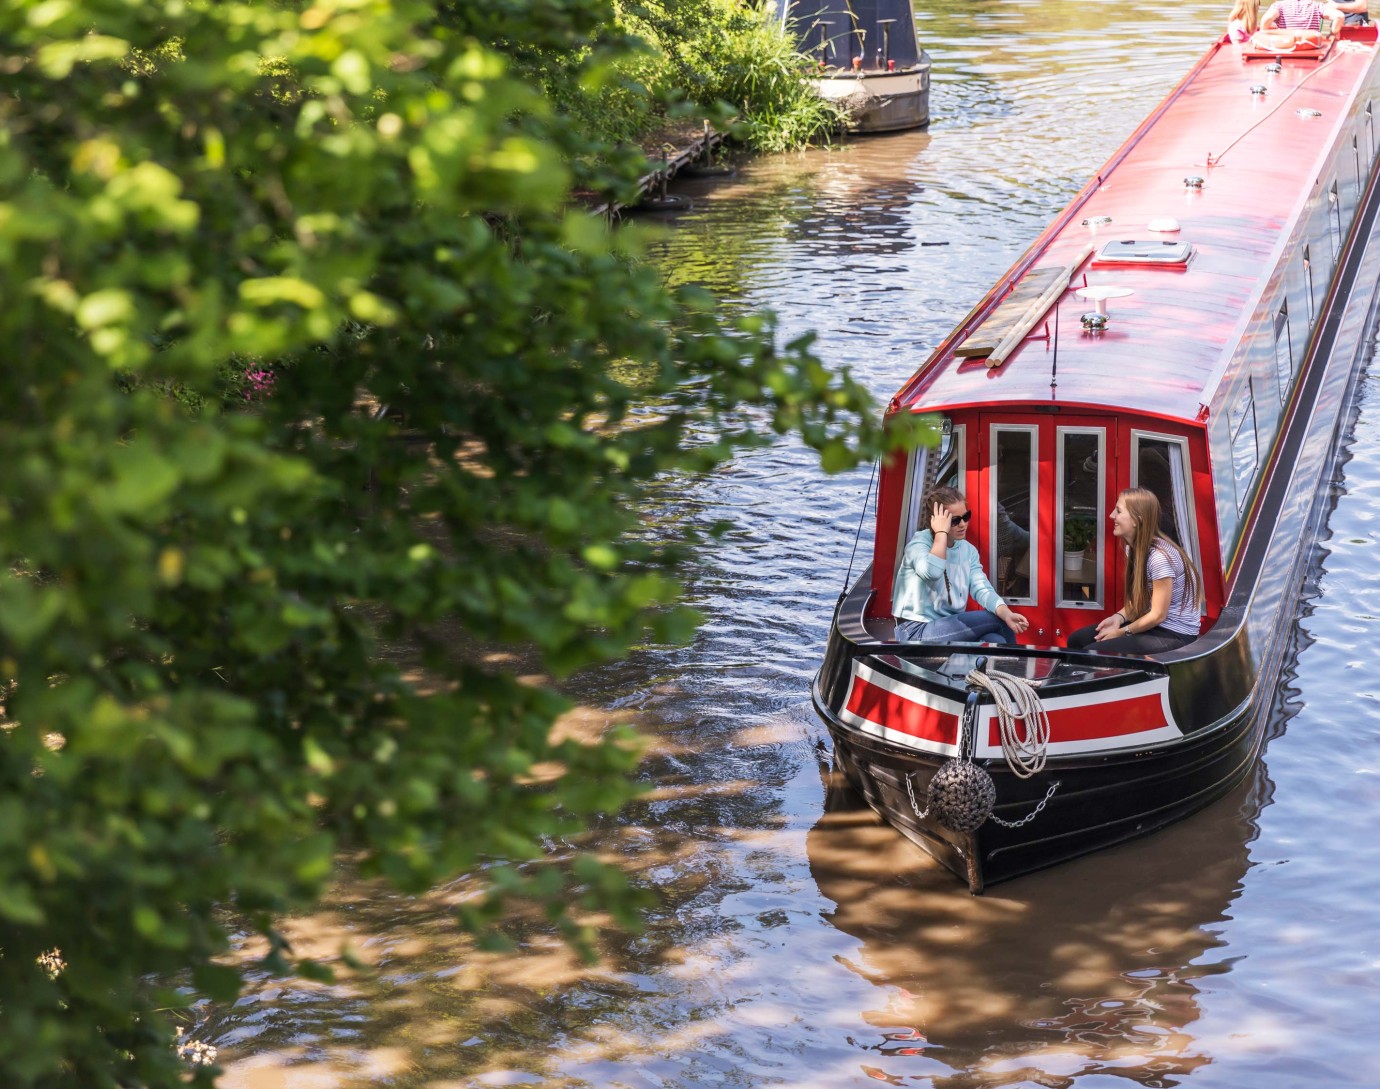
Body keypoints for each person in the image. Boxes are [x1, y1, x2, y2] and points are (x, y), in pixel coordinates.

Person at [1067, 487, 1203, 655]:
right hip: (1152, 624)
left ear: (1136, 520)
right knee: (1076, 640)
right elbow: (1141, 600)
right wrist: (1118, 618)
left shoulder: (1159, 558)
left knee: (1095, 653)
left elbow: (1158, 615)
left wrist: (1121, 632)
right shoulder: (1133, 549)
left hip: (1174, 634)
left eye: (1118, 511)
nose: (1111, 516)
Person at [892, 486, 1030, 645]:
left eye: (966, 516)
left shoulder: (967, 550)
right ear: (937, 522)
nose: (963, 524)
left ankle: (1000, 668)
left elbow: (981, 588)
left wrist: (1006, 613)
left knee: (995, 639)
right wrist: (941, 534)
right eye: (954, 520)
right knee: (996, 620)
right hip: (914, 630)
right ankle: (1013, 664)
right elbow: (932, 572)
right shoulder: (918, 545)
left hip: (948, 626)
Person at [1260, 0, 1344, 35]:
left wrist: (1263, 35)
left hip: (1287, 47)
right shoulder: (1317, 6)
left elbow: (1266, 19)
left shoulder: (1279, 6)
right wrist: (1333, 34)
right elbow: (1339, 16)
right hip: (1311, 47)